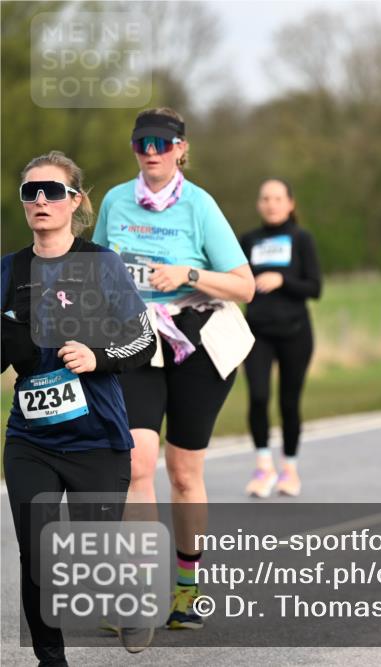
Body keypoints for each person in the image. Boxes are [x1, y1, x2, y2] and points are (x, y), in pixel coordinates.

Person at [92, 107, 256, 630]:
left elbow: (244, 285)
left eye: (163, 143)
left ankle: (187, 587)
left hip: (197, 341)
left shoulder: (199, 206)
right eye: (143, 142)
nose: (152, 151)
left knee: (184, 474)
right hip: (135, 340)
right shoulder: (116, 201)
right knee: (138, 465)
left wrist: (188, 273)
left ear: (182, 149)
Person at [3, 151, 156, 663]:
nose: (40, 200)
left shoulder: (101, 265)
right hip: (31, 440)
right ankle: (52, 660)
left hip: (96, 437)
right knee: (37, 556)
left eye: (52, 191)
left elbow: (142, 341)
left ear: (75, 201)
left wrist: (98, 356)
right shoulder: (7, 272)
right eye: (31, 192)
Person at [240, 179, 322, 498]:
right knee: (259, 396)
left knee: (289, 401)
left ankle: (290, 469)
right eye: (265, 199)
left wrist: (282, 279)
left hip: (295, 332)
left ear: (290, 203)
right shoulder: (248, 240)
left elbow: (315, 288)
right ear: (259, 204)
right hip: (257, 332)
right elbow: (237, 281)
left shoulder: (302, 239)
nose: (271, 204)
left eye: (277, 198)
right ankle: (263, 467)